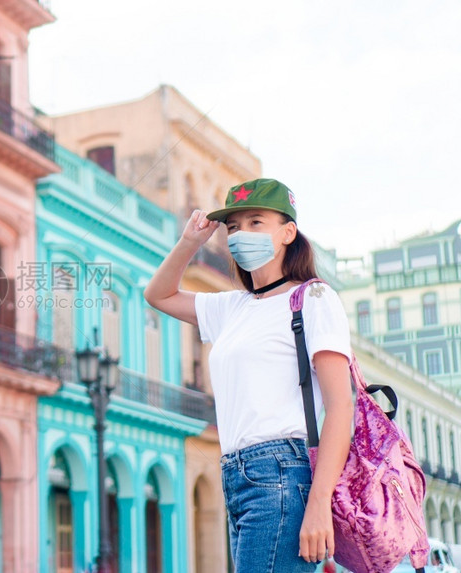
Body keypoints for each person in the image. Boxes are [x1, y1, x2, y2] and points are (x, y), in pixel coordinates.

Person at [143, 179, 354, 572]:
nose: (243, 234)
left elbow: (342, 405)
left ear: (288, 232)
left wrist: (319, 501)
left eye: (257, 222)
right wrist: (190, 242)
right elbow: (158, 294)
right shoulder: (232, 307)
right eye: (234, 227)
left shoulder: (312, 298)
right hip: (237, 476)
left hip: (282, 474)